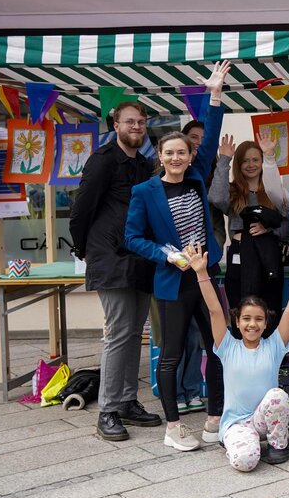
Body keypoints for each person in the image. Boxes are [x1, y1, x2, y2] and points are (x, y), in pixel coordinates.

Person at [124, 63, 227, 451]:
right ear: (161, 157)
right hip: (172, 281)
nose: (177, 158)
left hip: (207, 273)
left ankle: (215, 417)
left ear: (188, 155)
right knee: (171, 353)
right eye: (170, 153)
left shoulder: (198, 177)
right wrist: (166, 255)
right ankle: (173, 427)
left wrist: (214, 95)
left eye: (182, 152)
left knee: (218, 345)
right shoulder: (145, 192)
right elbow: (132, 238)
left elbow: (212, 135)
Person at [70, 99, 162, 441]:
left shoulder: (145, 165)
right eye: (129, 122)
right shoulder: (102, 160)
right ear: (116, 124)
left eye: (140, 122)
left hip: (140, 258)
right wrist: (86, 251)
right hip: (110, 258)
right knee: (119, 334)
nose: (135, 127)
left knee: (135, 332)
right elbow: (81, 211)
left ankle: (126, 402)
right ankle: (107, 410)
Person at [190, 242, 289, 471]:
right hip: (236, 423)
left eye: (258, 319)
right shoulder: (228, 346)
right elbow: (215, 310)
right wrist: (201, 272)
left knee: (277, 395)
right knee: (246, 462)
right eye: (246, 318)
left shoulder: (274, 346)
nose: (252, 324)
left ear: (266, 323)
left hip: (263, 420)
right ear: (237, 323)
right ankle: (237, 442)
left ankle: (278, 445)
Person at [208, 133, 288, 315]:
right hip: (240, 256)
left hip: (269, 258)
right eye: (245, 161)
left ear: (262, 162)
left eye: (255, 160)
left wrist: (267, 229)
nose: (251, 165)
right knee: (241, 307)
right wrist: (224, 160)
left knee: (269, 309)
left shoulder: (273, 191)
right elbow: (216, 198)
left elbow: (286, 227)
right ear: (238, 164)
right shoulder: (233, 190)